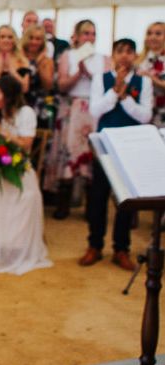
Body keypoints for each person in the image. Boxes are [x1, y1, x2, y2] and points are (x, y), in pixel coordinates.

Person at [80, 38, 153, 270]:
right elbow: (95, 110)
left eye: (129, 52)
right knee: (98, 196)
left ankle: (121, 248)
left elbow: (145, 116)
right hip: (106, 144)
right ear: (113, 55)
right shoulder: (101, 79)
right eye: (120, 51)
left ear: (135, 56)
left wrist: (125, 98)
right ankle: (95, 245)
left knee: (126, 201)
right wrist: (114, 92)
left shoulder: (144, 82)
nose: (124, 56)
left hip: (131, 147)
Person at [0, 74, 51, 275]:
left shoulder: (26, 113)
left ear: (8, 95)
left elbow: (26, 145)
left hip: (19, 166)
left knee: (24, 195)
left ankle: (12, 250)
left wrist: (2, 131)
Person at [44, 20, 110, 220]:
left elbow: (108, 86)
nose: (89, 37)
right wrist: (79, 73)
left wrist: (90, 75)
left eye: (92, 33)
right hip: (73, 108)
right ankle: (63, 203)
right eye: (85, 33)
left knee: (91, 156)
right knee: (69, 152)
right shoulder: (68, 56)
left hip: (94, 111)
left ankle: (91, 206)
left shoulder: (104, 58)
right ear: (77, 35)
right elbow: (62, 85)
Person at [0, 25, 30, 98]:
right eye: (2, 37)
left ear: (14, 40)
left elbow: (25, 89)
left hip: (16, 103)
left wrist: (13, 72)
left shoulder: (22, 60)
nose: (6, 40)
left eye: (10, 37)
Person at [21, 25, 54, 127]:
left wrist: (39, 63)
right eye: (31, 38)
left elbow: (48, 85)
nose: (34, 42)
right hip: (20, 101)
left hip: (38, 104)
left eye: (38, 39)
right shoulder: (19, 58)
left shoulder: (47, 61)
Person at [137, 21, 165, 128]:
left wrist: (151, 78)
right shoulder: (139, 60)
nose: (152, 37)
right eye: (149, 33)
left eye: (158, 34)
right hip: (144, 113)